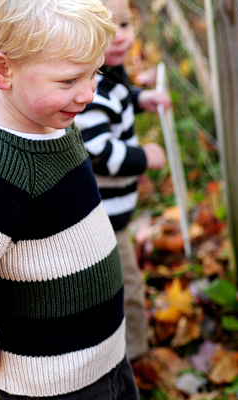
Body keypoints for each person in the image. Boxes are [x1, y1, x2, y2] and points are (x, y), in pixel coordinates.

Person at [0, 1, 192, 400]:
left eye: (92, 77)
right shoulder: (5, 168)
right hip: (54, 384)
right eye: (68, 80)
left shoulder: (48, 119)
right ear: (2, 71)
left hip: (103, 356)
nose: (86, 94)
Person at [76, 0, 171, 362]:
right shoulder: (89, 91)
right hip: (104, 218)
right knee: (126, 285)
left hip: (115, 212)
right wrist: (145, 157)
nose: (120, 37)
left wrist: (140, 97)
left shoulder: (108, 75)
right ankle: (132, 357)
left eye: (126, 24)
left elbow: (119, 97)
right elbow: (103, 152)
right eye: (107, 27)